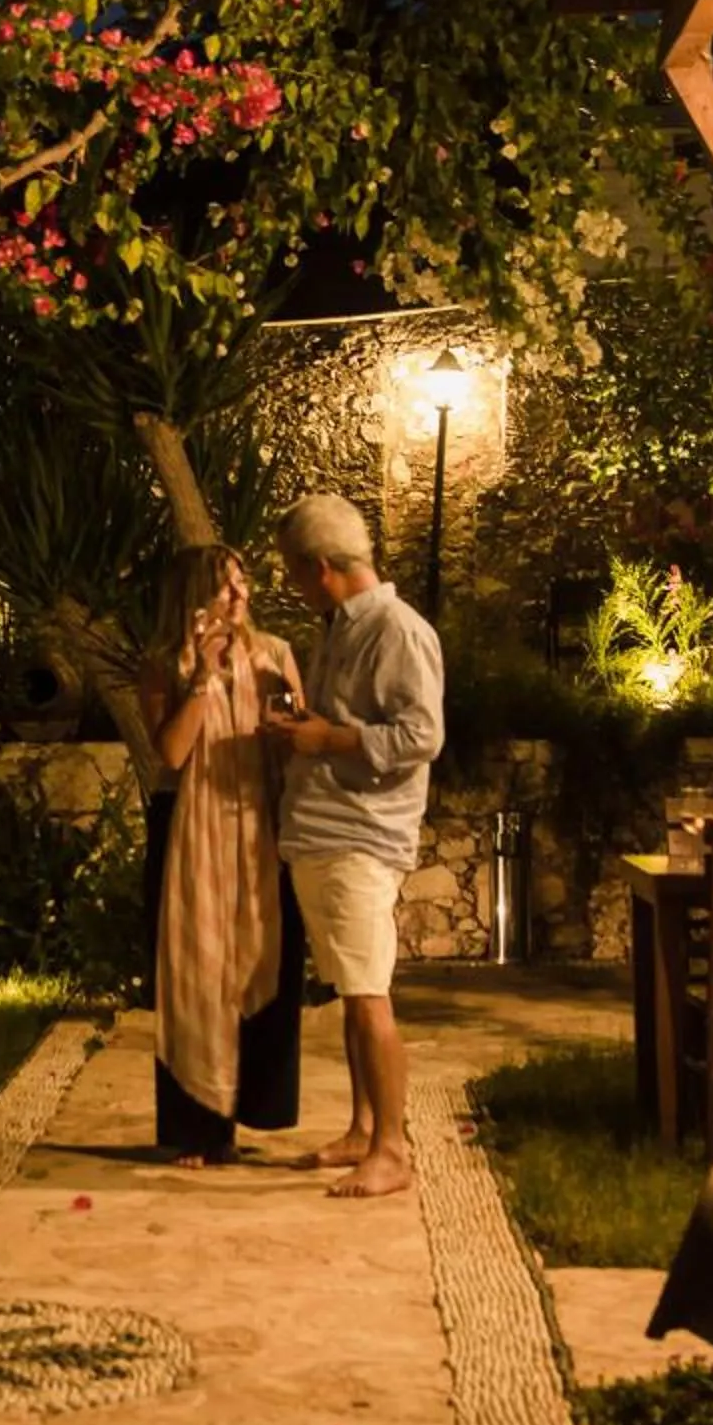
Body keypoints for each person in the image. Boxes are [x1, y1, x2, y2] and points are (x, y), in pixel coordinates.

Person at [273, 495, 443, 1198]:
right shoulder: (338, 628)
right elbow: (350, 721)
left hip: (359, 838)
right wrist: (308, 727)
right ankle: (362, 1127)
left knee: (369, 994)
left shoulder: (397, 631)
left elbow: (421, 735)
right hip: (325, 829)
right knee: (352, 989)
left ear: (320, 567)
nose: (291, 585)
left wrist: (330, 739)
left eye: (293, 572)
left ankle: (392, 1150)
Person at [139, 543, 308, 1166]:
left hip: (260, 824)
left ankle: (255, 1106)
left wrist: (289, 722)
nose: (239, 597)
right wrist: (205, 679)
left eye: (242, 584)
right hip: (193, 828)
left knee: (260, 961)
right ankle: (199, 1125)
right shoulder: (163, 666)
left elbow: (300, 737)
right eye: (224, 588)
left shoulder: (276, 657)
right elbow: (173, 754)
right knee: (195, 972)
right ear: (192, 599)